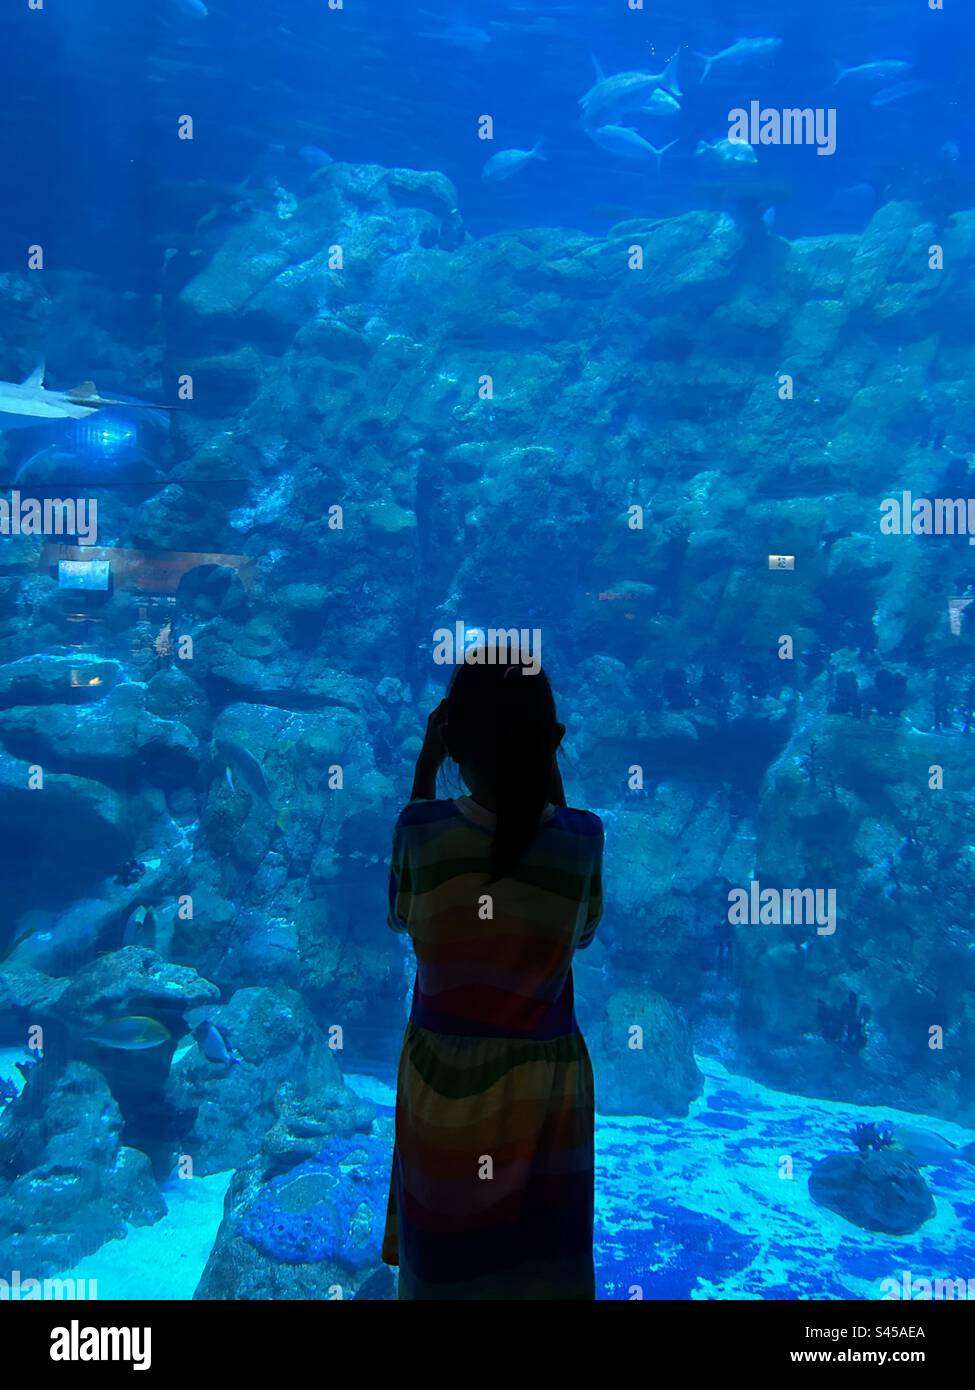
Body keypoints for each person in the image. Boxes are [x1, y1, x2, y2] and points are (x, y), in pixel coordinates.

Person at [381, 650, 604, 1299]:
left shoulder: (419, 831)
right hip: (546, 1093)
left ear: (451, 736)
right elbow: (581, 934)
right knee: (541, 1263)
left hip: (442, 1088)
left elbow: (401, 917)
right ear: (549, 741)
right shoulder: (583, 839)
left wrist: (425, 765)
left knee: (443, 1262)